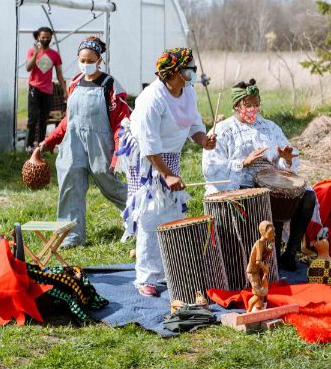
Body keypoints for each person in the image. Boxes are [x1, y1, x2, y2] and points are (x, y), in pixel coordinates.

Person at [115, 47, 216, 297]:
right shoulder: (152, 98)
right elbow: (149, 143)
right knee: (150, 213)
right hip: (146, 156)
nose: (192, 71)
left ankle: (167, 269)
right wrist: (167, 174)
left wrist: (204, 140)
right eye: (188, 67)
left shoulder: (189, 92)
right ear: (174, 72)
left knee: (170, 211)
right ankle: (146, 277)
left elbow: (194, 125)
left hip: (170, 154)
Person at [202, 79, 317, 271]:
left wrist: (285, 159)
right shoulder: (221, 130)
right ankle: (261, 257)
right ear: (236, 106)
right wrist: (243, 163)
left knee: (308, 197)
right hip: (240, 185)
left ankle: (289, 254)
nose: (253, 109)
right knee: (259, 198)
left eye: (257, 104)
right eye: (248, 105)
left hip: (273, 180)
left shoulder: (270, 127)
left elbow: (286, 160)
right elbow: (211, 168)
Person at [33, 36, 130, 248]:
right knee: (70, 185)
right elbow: (70, 119)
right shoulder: (75, 83)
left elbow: (121, 123)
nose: (86, 64)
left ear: (99, 60)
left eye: (90, 60)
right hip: (72, 144)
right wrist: (48, 142)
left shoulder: (111, 86)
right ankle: (71, 236)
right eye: (82, 59)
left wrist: (118, 154)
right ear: (78, 58)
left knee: (110, 184)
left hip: (100, 144)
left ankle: (141, 217)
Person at [26, 27, 67, 151]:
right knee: (33, 118)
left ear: (51, 37)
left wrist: (64, 90)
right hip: (34, 88)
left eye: (47, 37)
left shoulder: (55, 55)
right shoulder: (32, 51)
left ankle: (40, 145)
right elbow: (28, 68)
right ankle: (29, 145)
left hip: (48, 91)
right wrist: (36, 53)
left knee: (44, 119)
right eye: (42, 37)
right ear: (38, 37)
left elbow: (59, 74)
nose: (45, 39)